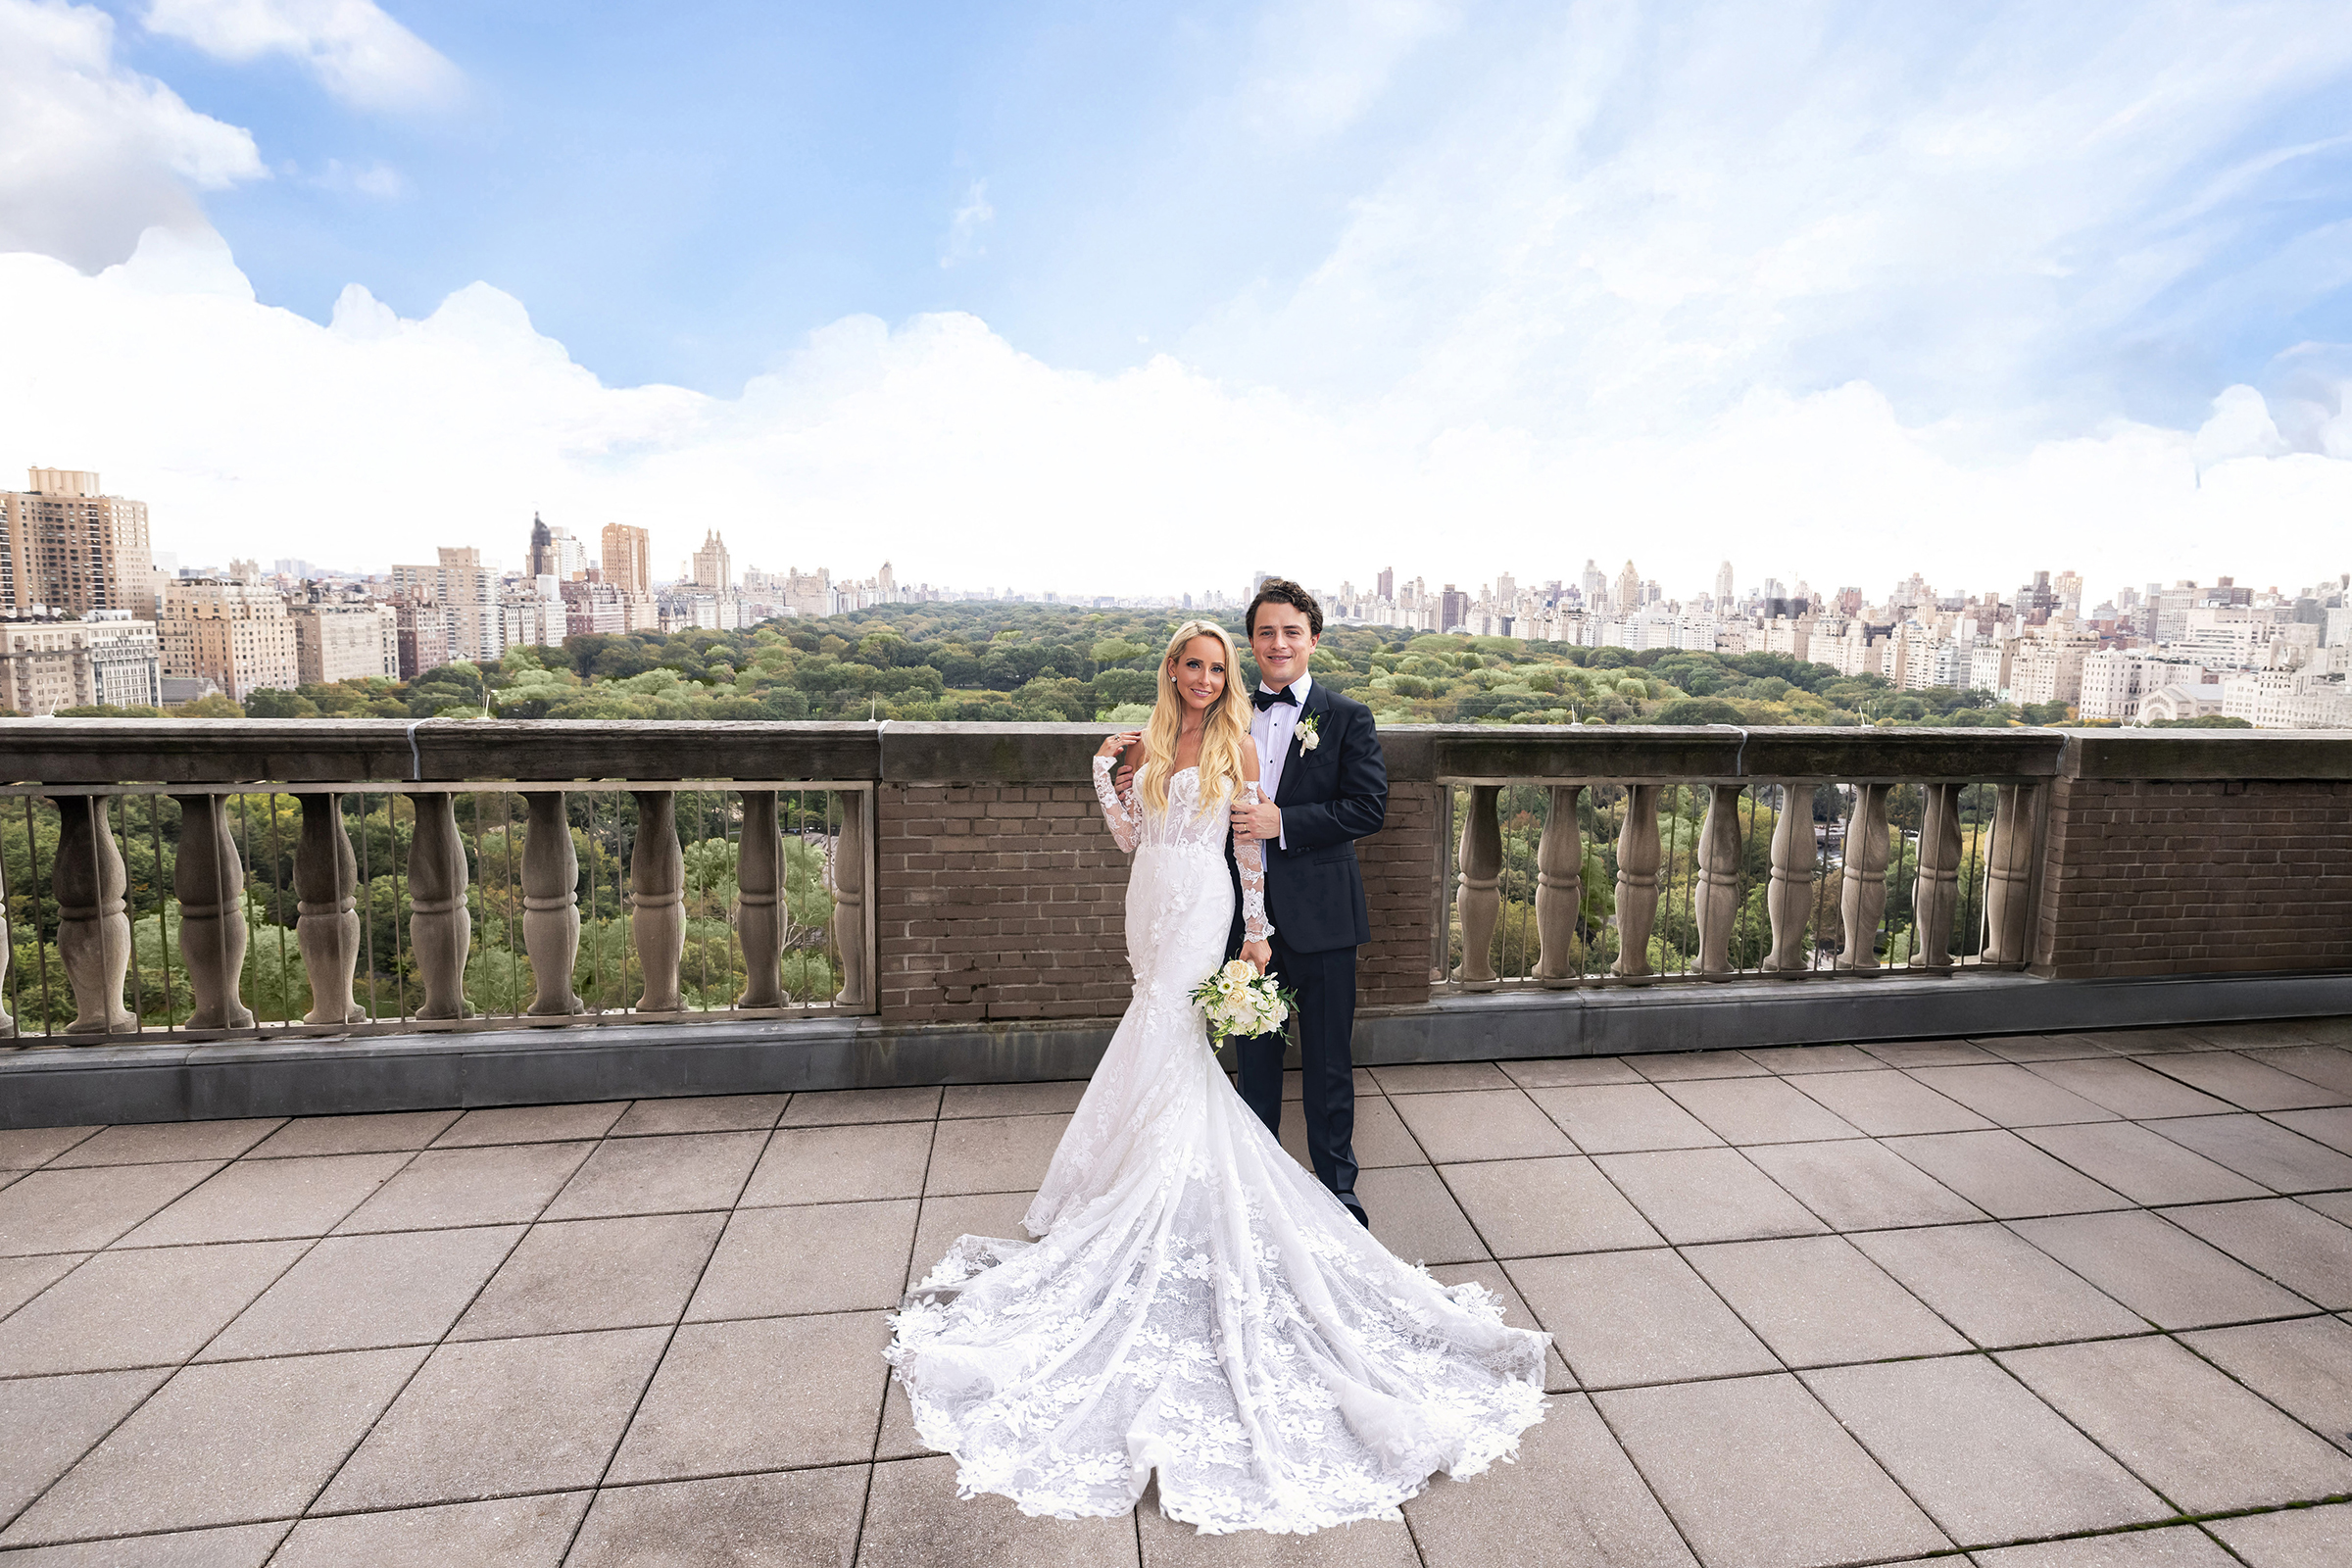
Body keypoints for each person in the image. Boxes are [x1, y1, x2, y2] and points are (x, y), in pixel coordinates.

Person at [886, 618, 1546, 1537]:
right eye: (1192, 666)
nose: (1204, 678)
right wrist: (1102, 776)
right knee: (1159, 1041)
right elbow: (1127, 837)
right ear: (1173, 673)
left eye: (1215, 667)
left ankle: (1159, 1196)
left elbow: (1244, 847)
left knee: (1166, 1034)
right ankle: (1142, 1180)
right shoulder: (1152, 740)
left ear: (1227, 676)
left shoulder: (1235, 742)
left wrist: (1258, 930)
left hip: (1201, 903)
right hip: (1147, 897)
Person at [1225, 578, 1387, 1227]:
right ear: (1252, 643)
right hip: (1245, 925)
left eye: (1292, 631)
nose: (1279, 642)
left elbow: (1367, 807)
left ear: (1313, 639)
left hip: (1322, 920)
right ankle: (1259, 1192)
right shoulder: (1227, 719)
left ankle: (1337, 1191)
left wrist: (1281, 822)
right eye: (1266, 631)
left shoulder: (1347, 718)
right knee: (1255, 1067)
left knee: (1326, 1064)